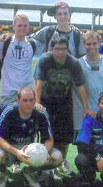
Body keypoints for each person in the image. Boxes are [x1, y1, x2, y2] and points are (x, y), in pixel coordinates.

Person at [34, 36, 90, 175]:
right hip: (47, 103)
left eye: (63, 49)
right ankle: (43, 165)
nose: (60, 52)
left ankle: (60, 163)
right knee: (47, 136)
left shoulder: (73, 62)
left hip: (64, 103)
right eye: (57, 49)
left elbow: (81, 86)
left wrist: (86, 108)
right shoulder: (45, 60)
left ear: (67, 49)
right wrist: (37, 103)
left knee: (64, 139)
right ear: (51, 49)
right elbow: (39, 83)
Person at [0, 86, 63, 187]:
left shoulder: (41, 113)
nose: (28, 103)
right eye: (24, 100)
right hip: (9, 148)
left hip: (30, 150)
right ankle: (4, 173)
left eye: (31, 100)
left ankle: (29, 172)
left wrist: (43, 153)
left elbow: (49, 139)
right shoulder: (9, 110)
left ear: (35, 100)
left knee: (57, 157)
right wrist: (16, 152)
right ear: (18, 100)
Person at [0, 14, 42, 107]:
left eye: (25, 26)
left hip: (27, 94)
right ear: (13, 27)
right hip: (8, 94)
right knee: (6, 120)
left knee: (27, 121)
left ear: (29, 28)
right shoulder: (4, 42)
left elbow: (53, 44)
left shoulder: (33, 44)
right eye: (19, 25)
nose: (22, 28)